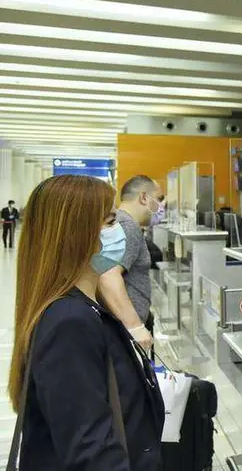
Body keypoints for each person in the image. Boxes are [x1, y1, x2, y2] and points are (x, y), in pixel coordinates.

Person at [7, 175, 164, 469]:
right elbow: (92, 453)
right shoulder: (69, 323)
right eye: (108, 223)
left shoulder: (90, 308)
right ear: (73, 235)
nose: (119, 232)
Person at [99, 175, 165, 354]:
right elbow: (107, 275)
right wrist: (135, 326)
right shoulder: (128, 227)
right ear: (144, 198)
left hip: (122, 329)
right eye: (159, 200)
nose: (161, 207)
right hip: (125, 333)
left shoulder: (119, 222)